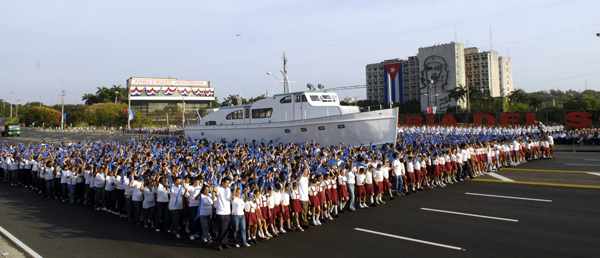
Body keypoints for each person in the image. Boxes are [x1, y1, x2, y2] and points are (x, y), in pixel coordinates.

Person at [214, 177, 232, 250]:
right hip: (220, 212)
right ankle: (218, 243)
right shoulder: (220, 189)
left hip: (227, 212)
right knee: (223, 228)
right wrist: (215, 185)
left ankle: (224, 242)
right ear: (223, 183)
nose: (228, 184)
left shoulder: (228, 190)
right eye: (226, 183)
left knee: (227, 228)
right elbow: (215, 190)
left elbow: (230, 198)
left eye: (228, 183)